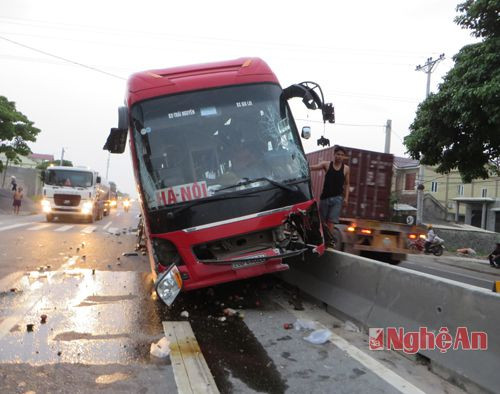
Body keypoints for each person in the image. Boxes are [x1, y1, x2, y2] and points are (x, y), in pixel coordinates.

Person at [310, 145, 350, 234]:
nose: (339, 156)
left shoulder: (346, 169)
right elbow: (314, 167)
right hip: (325, 198)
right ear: (334, 154)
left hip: (337, 199)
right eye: (338, 154)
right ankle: (321, 239)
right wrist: (304, 166)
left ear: (344, 157)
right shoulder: (327, 164)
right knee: (322, 221)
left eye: (342, 155)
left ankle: (329, 242)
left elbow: (347, 184)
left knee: (331, 221)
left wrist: (346, 198)